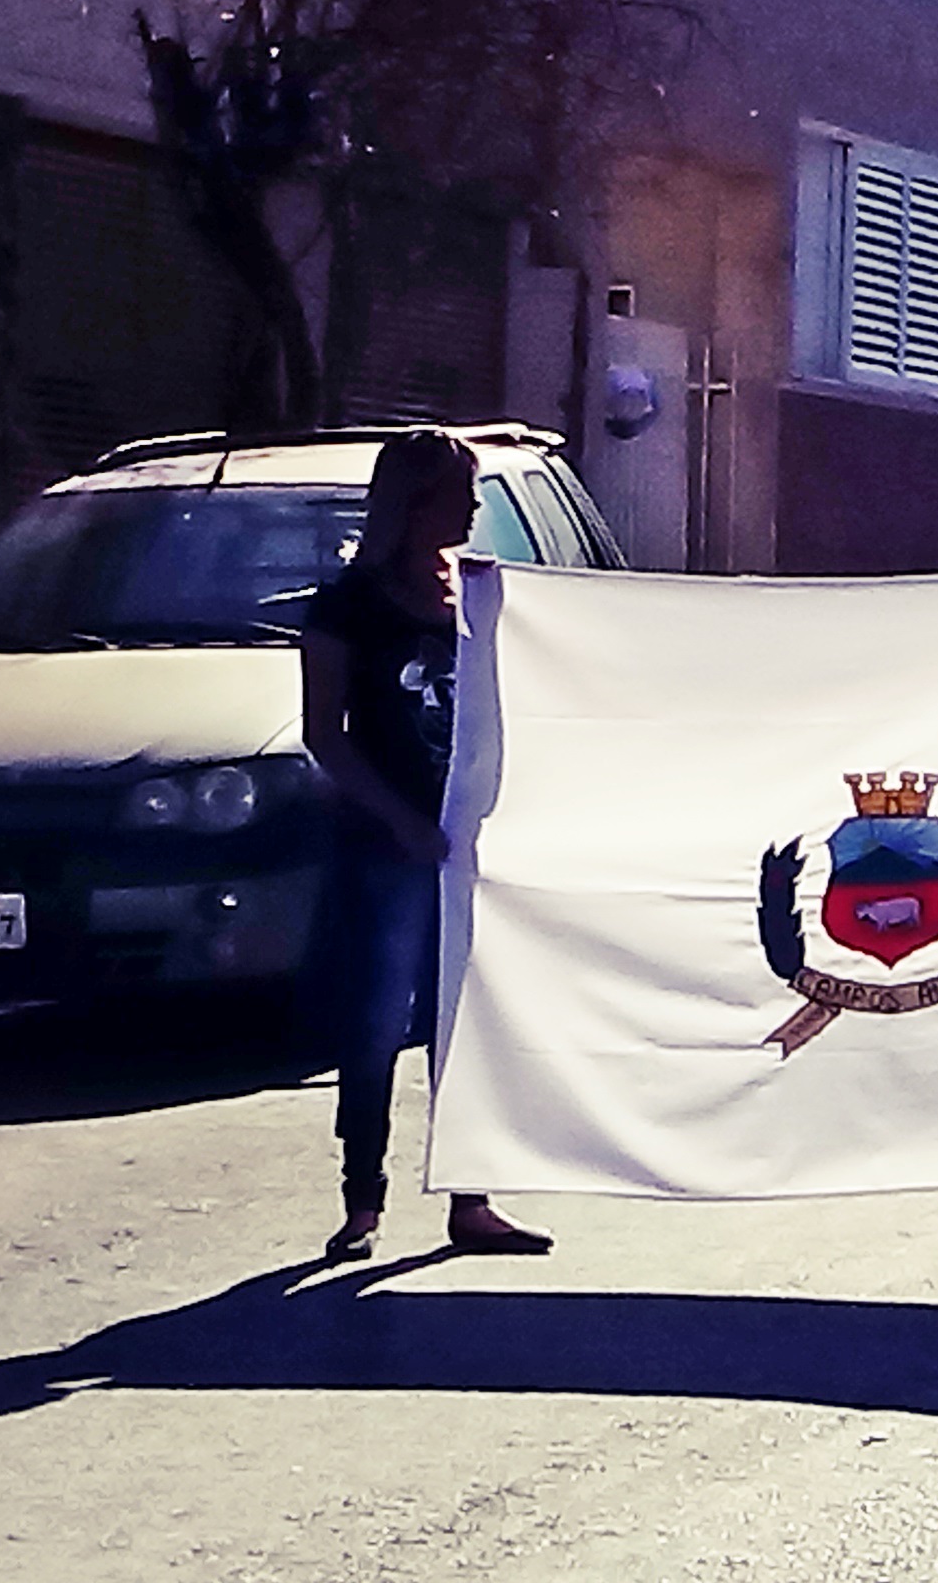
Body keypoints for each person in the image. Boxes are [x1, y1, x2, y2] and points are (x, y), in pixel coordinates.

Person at [299, 428, 550, 1265]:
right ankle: (361, 1201)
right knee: (375, 1023)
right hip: (385, 844)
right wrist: (399, 818)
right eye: (461, 491)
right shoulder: (347, 605)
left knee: (465, 1018)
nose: (475, 507)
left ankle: (471, 1199)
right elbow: (324, 735)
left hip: (467, 839)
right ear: (414, 503)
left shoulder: (476, 598)